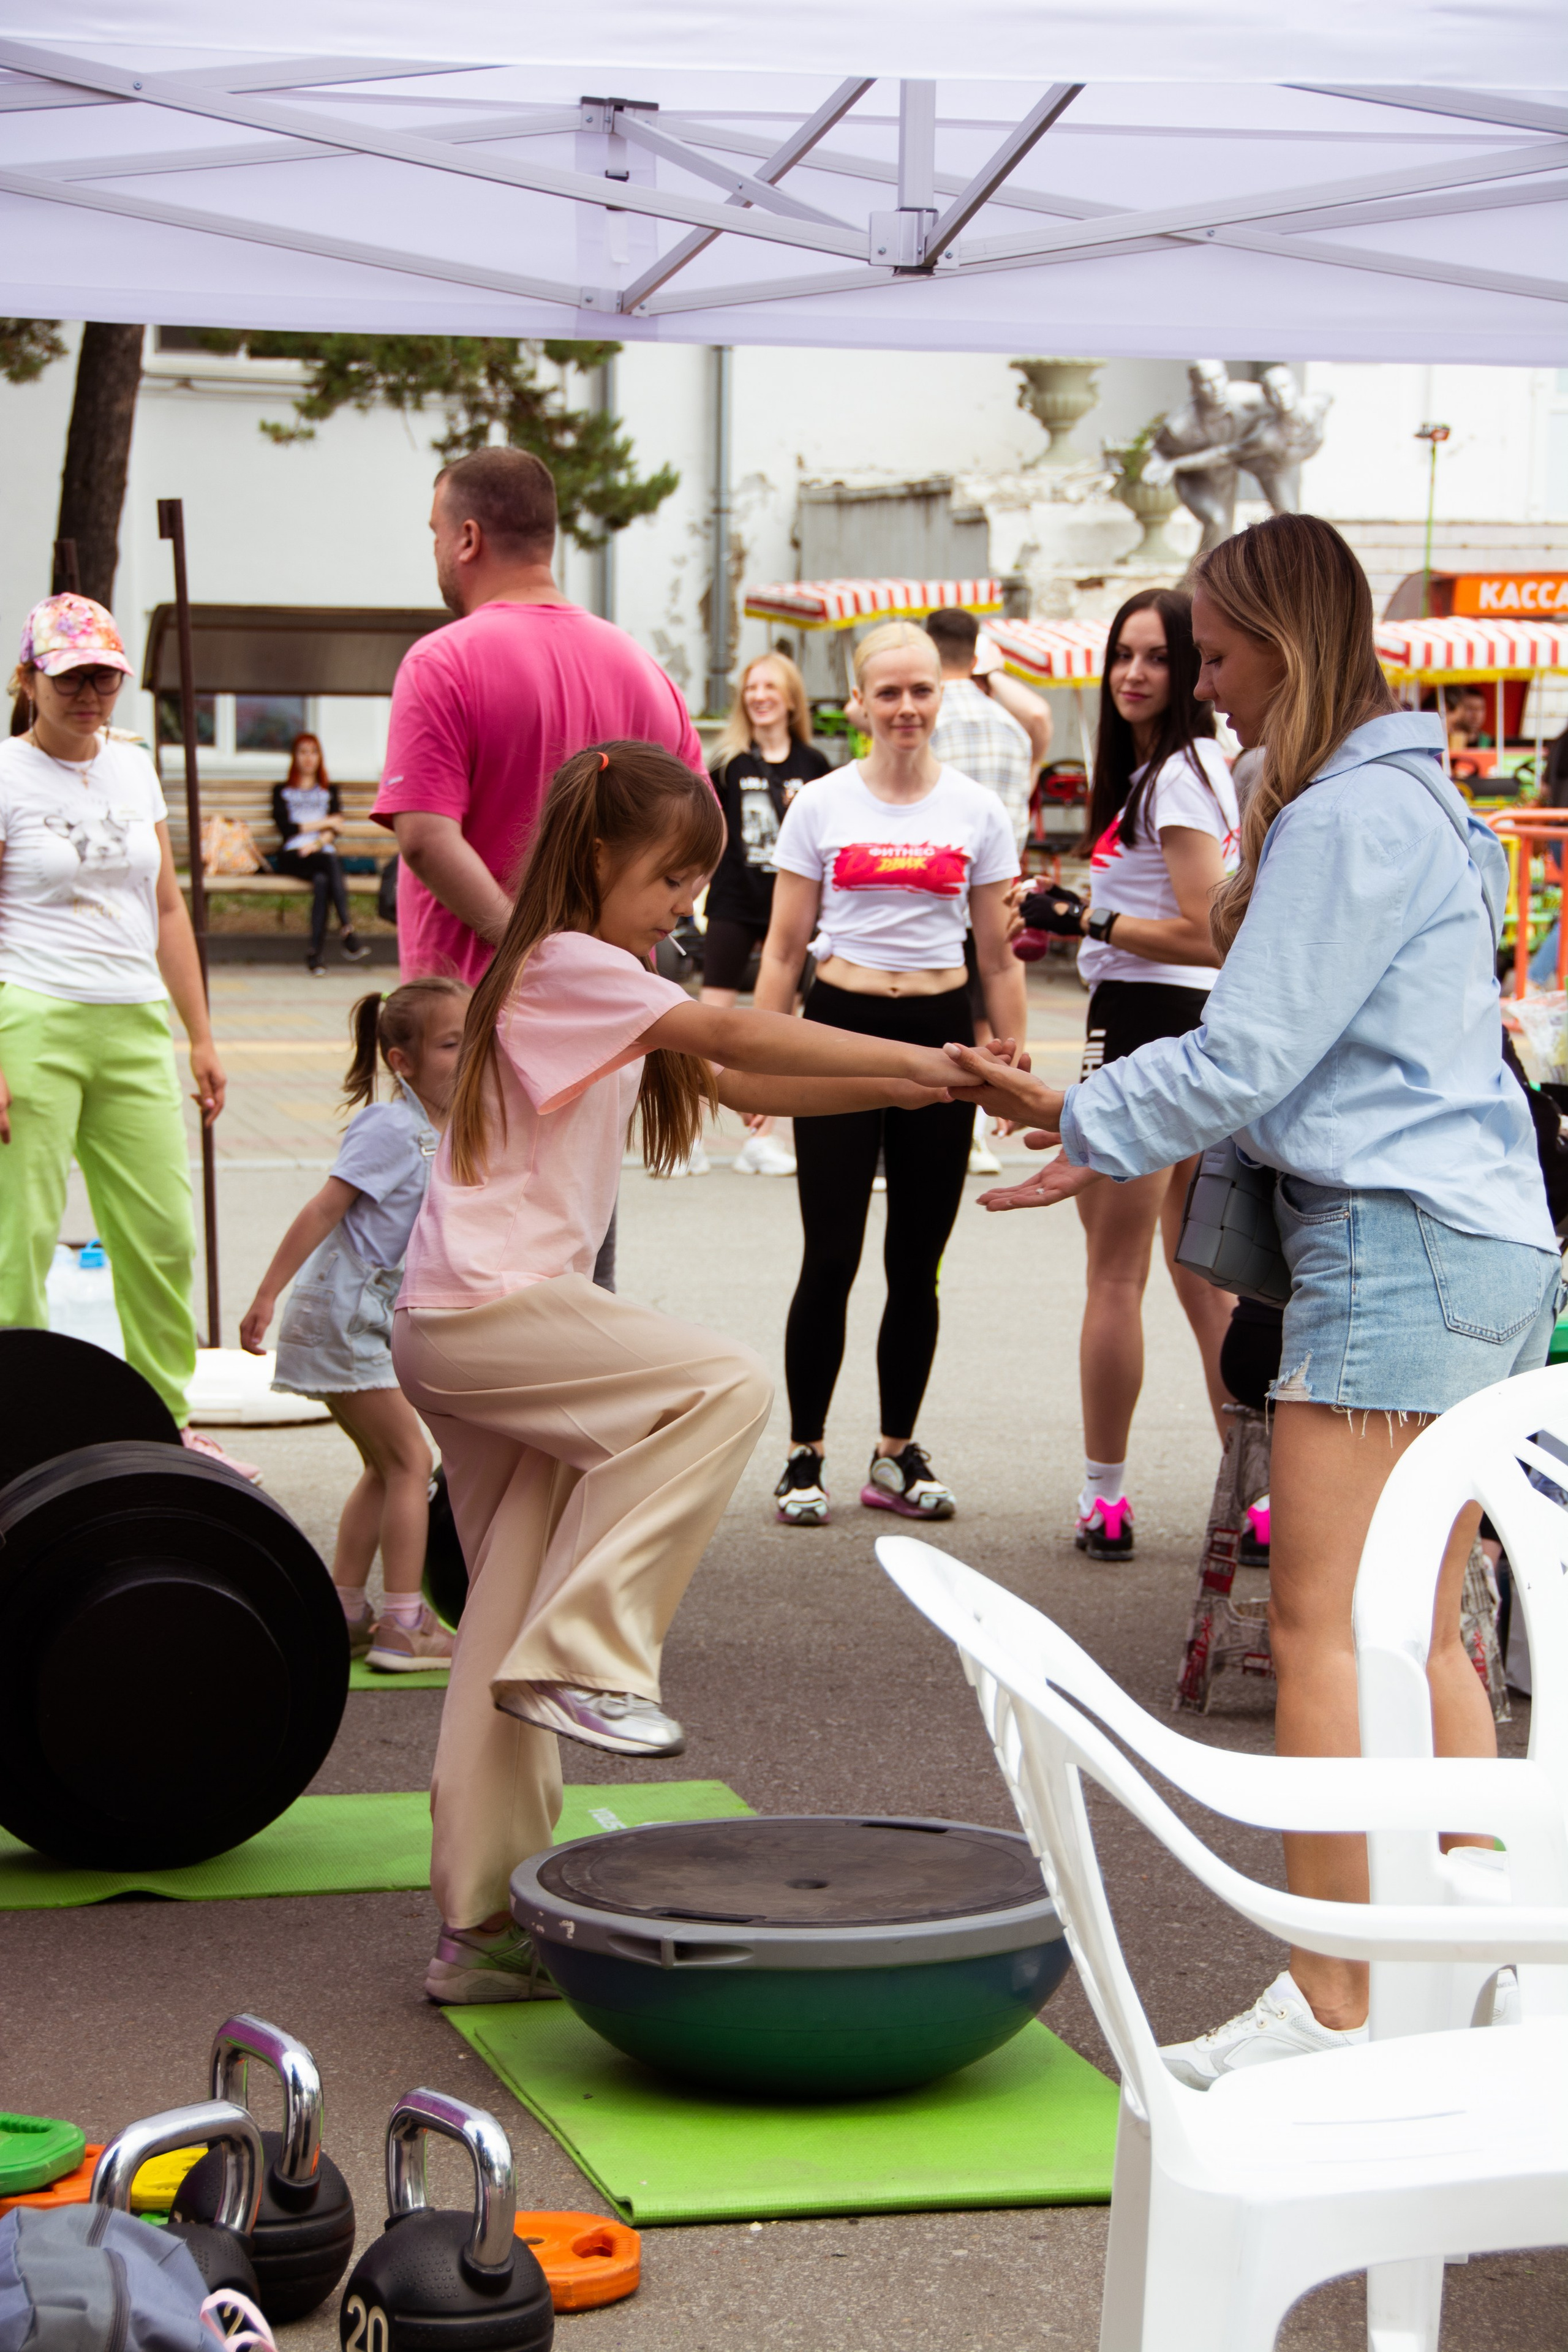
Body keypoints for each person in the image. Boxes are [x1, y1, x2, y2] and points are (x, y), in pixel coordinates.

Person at [945, 513, 1559, 2079]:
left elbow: (1248, 1054)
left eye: (1213, 654)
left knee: (1322, 1631)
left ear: (1288, 638)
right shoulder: (1406, 798)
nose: (1201, 686)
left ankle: (1332, 1996)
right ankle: (1472, 1959)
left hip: (1396, 1240)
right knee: (1423, 1629)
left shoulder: (1352, 812)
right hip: (1474, 1238)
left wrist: (1068, 1123)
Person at [393, 740, 960, 2002]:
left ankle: (476, 1933)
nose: (682, 907)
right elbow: (720, 1024)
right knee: (719, 1387)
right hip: (495, 1312)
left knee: (499, 1622)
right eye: (670, 879)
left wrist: (909, 1081)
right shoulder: (570, 964)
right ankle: (590, 1653)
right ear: (597, 859)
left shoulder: (576, 973)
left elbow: (727, 1072)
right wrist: (915, 1061)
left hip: (459, 1321)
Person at [754, 620, 1026, 1531]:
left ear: (941, 697)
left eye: (921, 691)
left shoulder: (978, 812)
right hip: (838, 1029)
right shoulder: (821, 805)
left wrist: (1010, 1054)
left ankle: (895, 1452)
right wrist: (762, 1052)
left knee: (919, 1260)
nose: (906, 707)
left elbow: (999, 950)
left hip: (941, 1041)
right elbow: (786, 944)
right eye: (889, 693)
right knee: (828, 1253)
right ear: (858, 703)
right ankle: (805, 1453)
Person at [0, 592, 251, 1472]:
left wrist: (201, 1034)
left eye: (105, 675)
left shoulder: (133, 768)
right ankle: (17, 1430)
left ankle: (166, 1422)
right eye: (70, 676)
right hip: (30, 1015)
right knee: (19, 1235)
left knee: (161, 1231)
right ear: (28, 679)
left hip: (133, 1015)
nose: (90, 692)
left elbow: (170, 906)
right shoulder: (4, 774)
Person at [1020, 589, 1241, 1560]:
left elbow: (1207, 928)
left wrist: (1086, 922)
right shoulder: (1173, 769)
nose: (1135, 674)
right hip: (1177, 1024)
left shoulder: (1182, 774)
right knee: (1205, 1276)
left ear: (1195, 667)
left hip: (1154, 1019)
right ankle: (1258, 1495)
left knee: (1119, 1274)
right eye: (1124, 655)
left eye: (1158, 656)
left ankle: (1105, 1498)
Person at [374, 447, 706, 990]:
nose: (434, 548)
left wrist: (533, 952)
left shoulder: (441, 663)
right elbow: (700, 839)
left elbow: (426, 840)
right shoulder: (646, 670)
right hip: (616, 1012)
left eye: (436, 531)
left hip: (473, 1013)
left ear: (468, 539)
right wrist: (608, 953)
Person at [239, 978, 468, 1671]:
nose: (468, 1053)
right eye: (451, 1044)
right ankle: (405, 1624)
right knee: (410, 1462)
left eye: (471, 1038)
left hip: (365, 1315)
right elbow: (325, 1207)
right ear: (402, 1062)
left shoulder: (436, 1128)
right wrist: (265, 1295)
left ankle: (345, 1611)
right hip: (347, 1316)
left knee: (381, 1464)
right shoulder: (391, 1127)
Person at [699, 650, 829, 1178]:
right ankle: (689, 1134)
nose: (759, 696)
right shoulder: (729, 763)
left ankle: (763, 1137)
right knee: (706, 1025)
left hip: (790, 907)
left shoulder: (814, 766)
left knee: (781, 1025)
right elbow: (704, 831)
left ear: (791, 697)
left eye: (770, 686)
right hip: (734, 899)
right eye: (751, 688)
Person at [271, 731, 372, 976]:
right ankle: (347, 929)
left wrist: (316, 844)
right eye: (303, 752)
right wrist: (324, 823)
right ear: (295, 757)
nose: (308, 758)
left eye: (313, 752)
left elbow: (336, 831)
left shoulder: (329, 790)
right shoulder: (282, 791)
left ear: (320, 757)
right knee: (329, 862)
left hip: (318, 854)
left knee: (322, 880)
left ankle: (315, 955)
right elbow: (287, 829)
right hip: (293, 855)